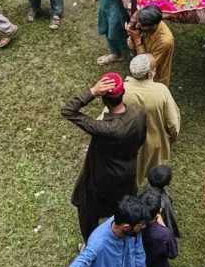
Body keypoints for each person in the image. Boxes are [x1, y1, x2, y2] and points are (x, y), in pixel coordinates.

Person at [62, 74, 147, 239]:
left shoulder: (105, 128)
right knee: (123, 205)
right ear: (123, 93)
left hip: (102, 179)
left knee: (87, 209)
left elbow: (68, 111)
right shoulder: (138, 112)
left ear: (104, 99)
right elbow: (142, 137)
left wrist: (92, 92)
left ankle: (90, 241)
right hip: (127, 172)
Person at [58, 195, 152, 267]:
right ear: (126, 227)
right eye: (140, 225)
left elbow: (138, 250)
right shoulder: (98, 245)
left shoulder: (132, 230)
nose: (143, 227)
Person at [123, 53, 180, 188]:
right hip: (156, 145)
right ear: (149, 74)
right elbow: (173, 122)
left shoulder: (123, 90)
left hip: (130, 142)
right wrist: (173, 136)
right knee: (155, 177)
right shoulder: (161, 91)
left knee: (132, 177)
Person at [138, 187, 178, 267]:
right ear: (159, 211)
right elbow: (173, 253)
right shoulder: (164, 234)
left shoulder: (133, 226)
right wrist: (164, 226)